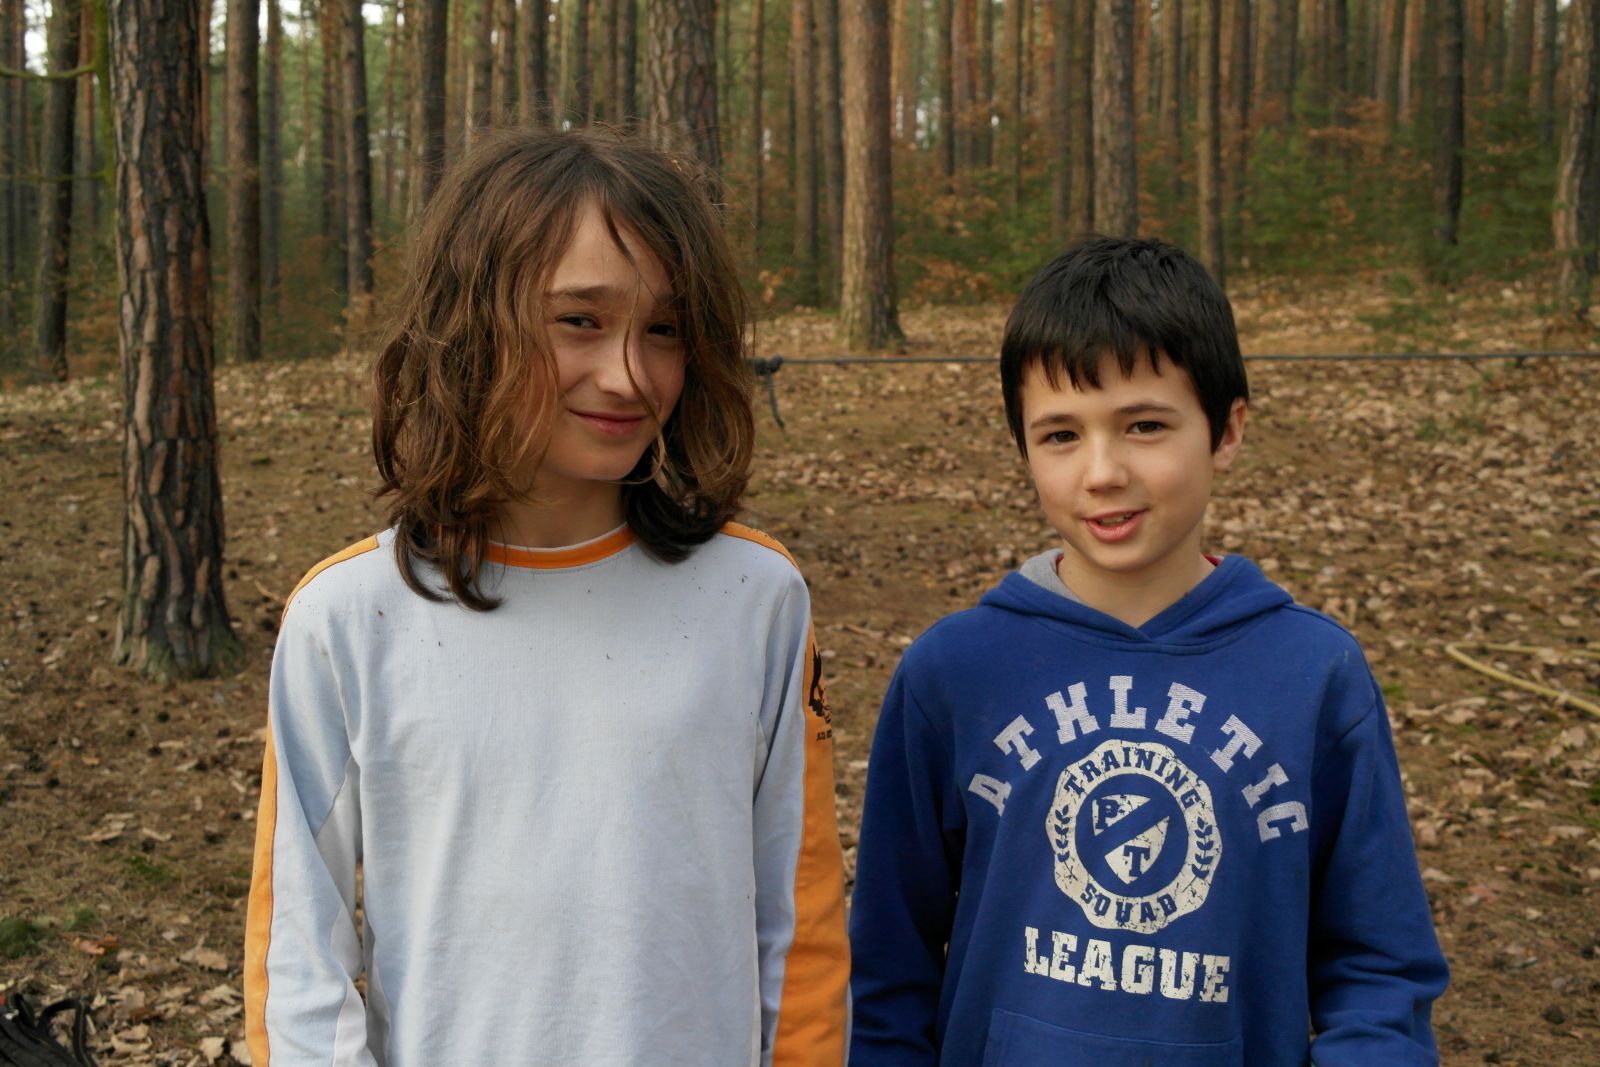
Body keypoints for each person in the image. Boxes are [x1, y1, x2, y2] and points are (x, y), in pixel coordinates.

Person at [243, 127, 850, 1067]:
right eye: (579, 320)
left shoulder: (756, 597)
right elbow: (299, 955)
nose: (628, 375)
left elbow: (799, 917)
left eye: (664, 329)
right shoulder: (346, 617)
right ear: (470, 324)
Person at [847, 237, 1448, 1066]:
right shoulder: (953, 673)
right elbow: (888, 963)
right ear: (1023, 447)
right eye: (1061, 434)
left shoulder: (1314, 676)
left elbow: (1380, 968)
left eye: (1145, 425)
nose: (1103, 471)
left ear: (1226, 430)